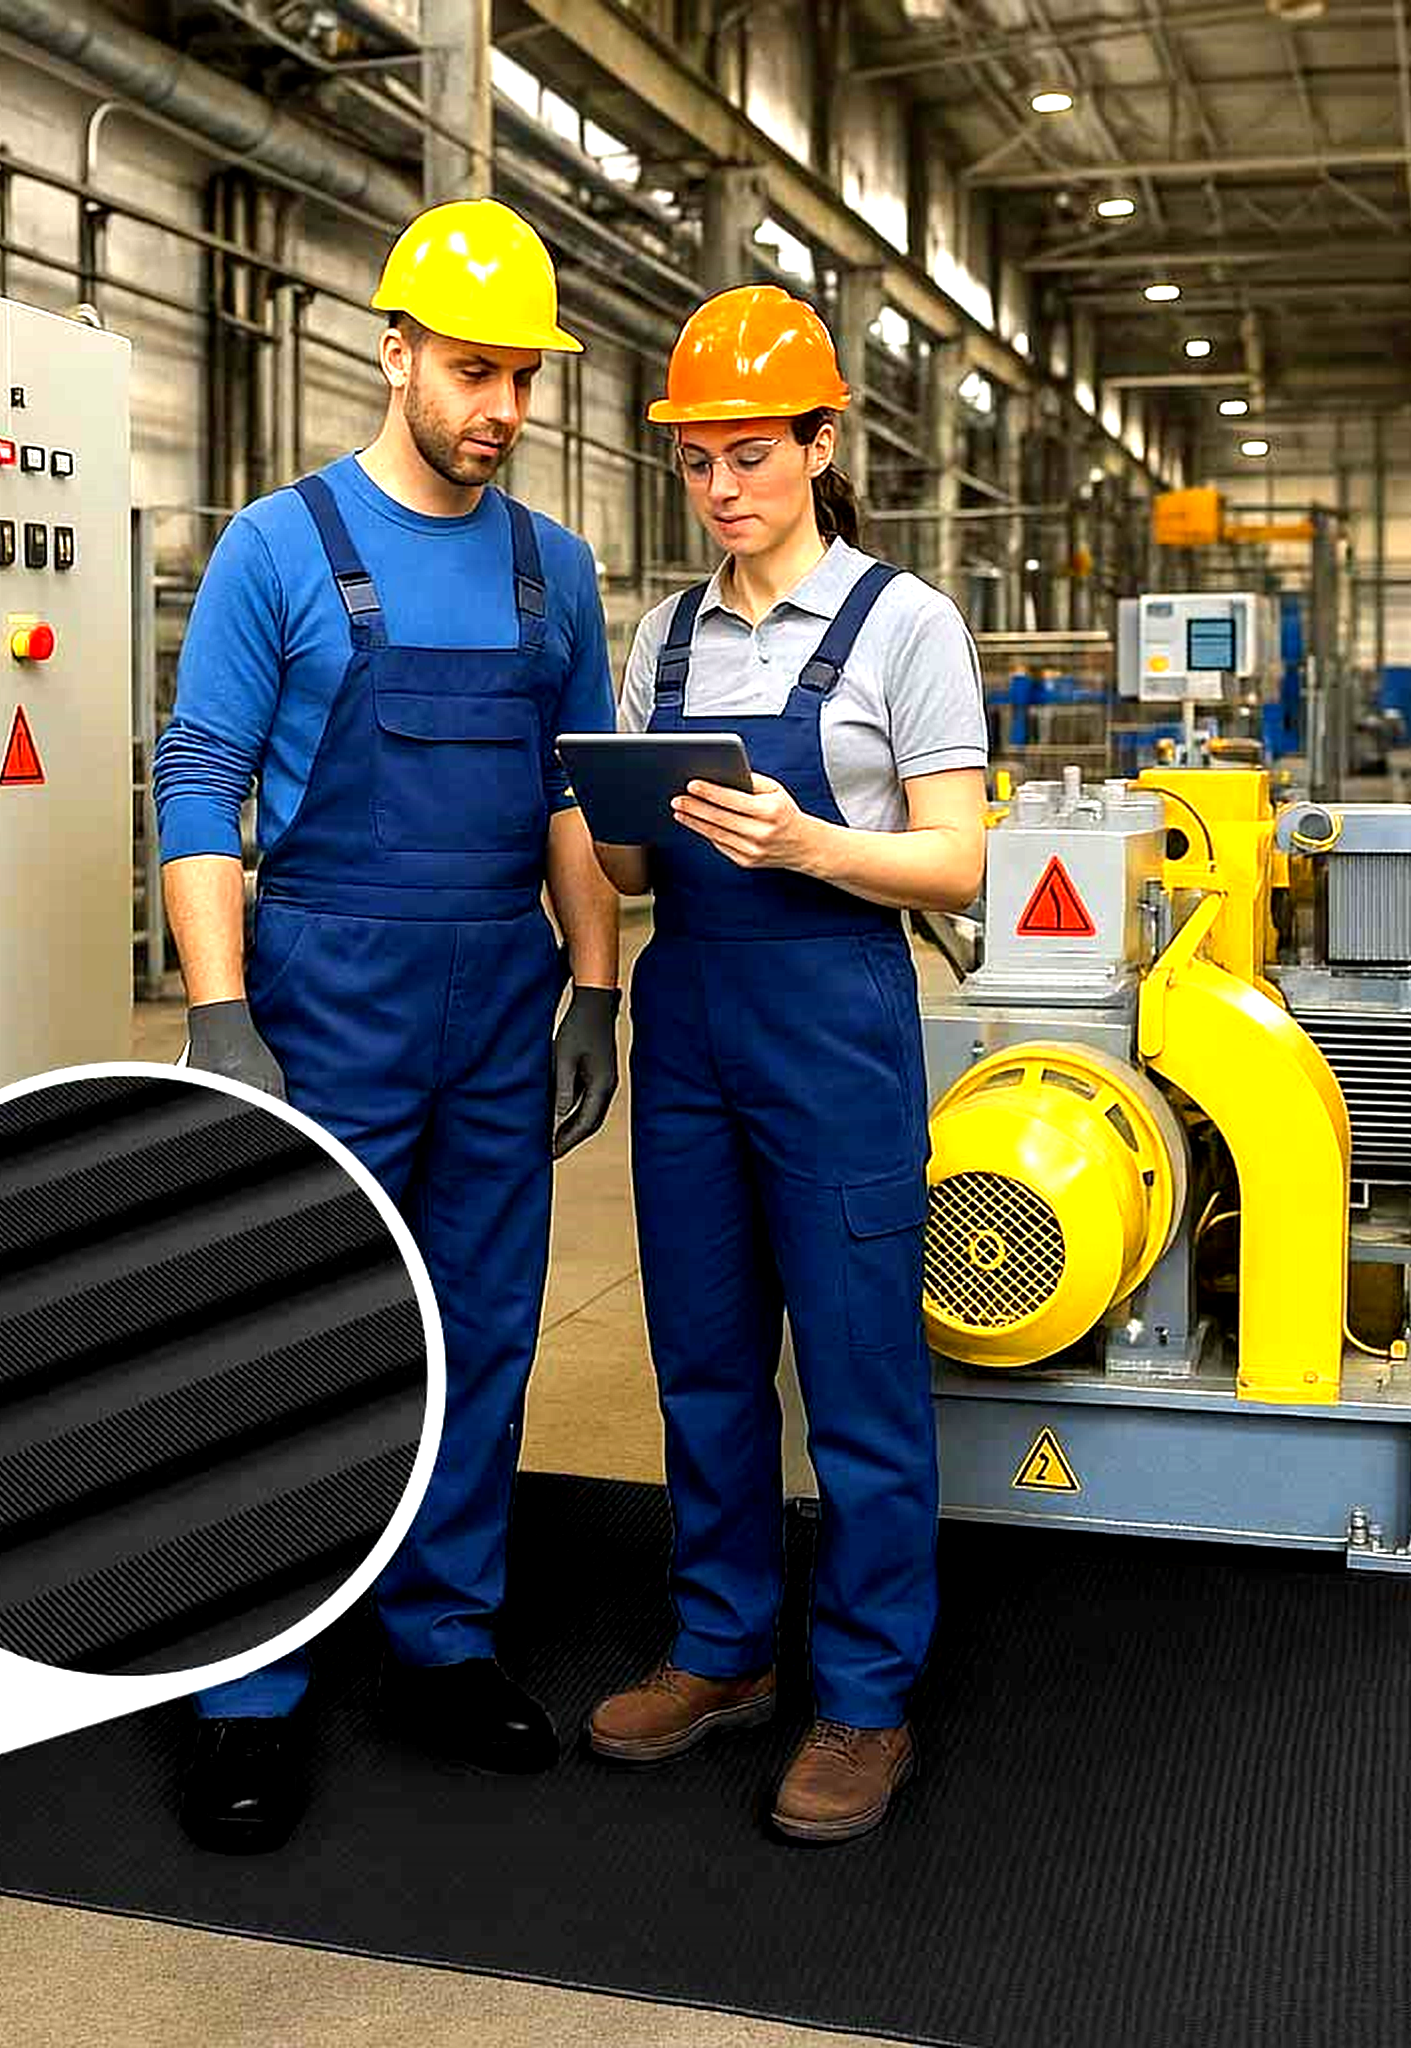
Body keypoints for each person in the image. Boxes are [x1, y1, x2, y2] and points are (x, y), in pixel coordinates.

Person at [152, 198, 621, 1852]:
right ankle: (247, 1687)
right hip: (322, 991)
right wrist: (220, 1013)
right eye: (474, 370)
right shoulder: (278, 549)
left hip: (498, 995)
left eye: (522, 379)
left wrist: (595, 981)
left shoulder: (552, 569)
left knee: (483, 1328)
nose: (499, 406)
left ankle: (440, 1639)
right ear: (396, 350)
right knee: (296, 1324)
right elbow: (201, 782)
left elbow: (574, 795)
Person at [583, 285, 986, 1843]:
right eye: (697, 462)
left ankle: (868, 1699)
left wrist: (817, 841)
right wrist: (605, 813)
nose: (722, 487)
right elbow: (621, 870)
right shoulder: (666, 634)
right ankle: (722, 1646)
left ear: (824, 443)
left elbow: (959, 867)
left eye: (752, 454)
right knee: (700, 1362)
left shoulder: (907, 626)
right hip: (691, 1025)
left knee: (863, 1379)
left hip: (835, 1024)